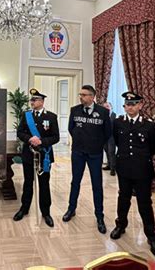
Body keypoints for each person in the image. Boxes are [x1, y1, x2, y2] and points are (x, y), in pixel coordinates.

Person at [109, 92, 155, 258]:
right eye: (127, 105)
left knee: (144, 202)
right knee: (123, 198)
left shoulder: (149, 125)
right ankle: (121, 225)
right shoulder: (118, 123)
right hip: (124, 167)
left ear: (140, 106)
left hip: (142, 170)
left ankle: (151, 236)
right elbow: (117, 141)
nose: (129, 107)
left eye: (133, 104)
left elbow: (153, 147)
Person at [63, 85, 111, 234]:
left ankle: (99, 216)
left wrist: (95, 144)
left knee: (97, 184)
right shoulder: (75, 110)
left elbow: (107, 133)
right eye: (80, 94)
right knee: (75, 181)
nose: (81, 97)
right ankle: (71, 209)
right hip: (78, 152)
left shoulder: (103, 112)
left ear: (92, 96)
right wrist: (80, 140)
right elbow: (71, 128)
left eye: (84, 95)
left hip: (95, 154)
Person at [13, 88, 59, 227]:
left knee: (44, 184)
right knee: (28, 182)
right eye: (31, 100)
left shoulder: (51, 117)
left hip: (44, 155)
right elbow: (20, 132)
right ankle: (24, 208)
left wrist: (41, 142)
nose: (32, 102)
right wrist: (30, 138)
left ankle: (46, 212)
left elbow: (55, 137)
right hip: (29, 154)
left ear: (42, 101)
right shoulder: (26, 115)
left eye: (35, 99)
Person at [102, 102, 117, 176]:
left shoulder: (114, 115)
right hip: (104, 137)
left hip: (112, 137)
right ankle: (109, 165)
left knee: (111, 152)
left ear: (111, 107)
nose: (106, 108)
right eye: (104, 107)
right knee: (107, 151)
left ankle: (113, 169)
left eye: (107, 106)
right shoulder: (103, 115)